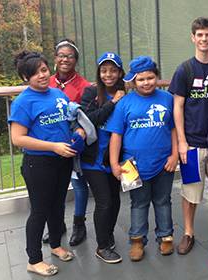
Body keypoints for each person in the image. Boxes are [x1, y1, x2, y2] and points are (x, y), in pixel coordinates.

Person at [9, 51, 82, 276]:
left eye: (43, 69)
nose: (42, 75)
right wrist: (53, 146)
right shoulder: (23, 102)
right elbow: (18, 138)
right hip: (38, 164)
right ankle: (34, 259)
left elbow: (69, 119)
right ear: (25, 77)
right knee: (40, 211)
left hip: (62, 160)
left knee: (57, 206)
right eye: (34, 73)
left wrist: (78, 130)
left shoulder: (57, 94)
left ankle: (56, 246)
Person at [169, 16, 208, 256]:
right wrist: (181, 142)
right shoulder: (184, 69)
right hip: (192, 145)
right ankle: (188, 232)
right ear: (193, 38)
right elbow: (178, 107)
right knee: (190, 192)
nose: (204, 39)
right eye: (200, 35)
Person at [107, 56, 178, 261]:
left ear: (156, 77)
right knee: (138, 203)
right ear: (133, 81)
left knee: (163, 201)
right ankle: (137, 241)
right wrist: (114, 163)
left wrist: (174, 155)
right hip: (131, 165)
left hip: (164, 161)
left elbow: (173, 130)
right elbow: (116, 135)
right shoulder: (124, 104)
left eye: (150, 77)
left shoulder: (167, 99)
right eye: (141, 79)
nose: (146, 82)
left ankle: (165, 237)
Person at [79, 52, 125, 263]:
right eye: (104, 70)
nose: (109, 74)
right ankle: (102, 246)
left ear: (120, 72)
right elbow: (89, 120)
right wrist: (112, 103)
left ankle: (107, 234)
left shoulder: (125, 93)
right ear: (99, 72)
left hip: (114, 158)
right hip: (93, 159)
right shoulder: (90, 93)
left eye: (113, 70)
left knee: (115, 201)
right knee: (104, 202)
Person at [45, 38, 91, 246]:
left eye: (69, 56)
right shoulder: (47, 81)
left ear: (76, 60)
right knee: (54, 187)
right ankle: (57, 225)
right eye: (61, 56)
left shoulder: (83, 85)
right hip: (50, 143)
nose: (65, 59)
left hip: (73, 144)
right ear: (55, 58)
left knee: (78, 186)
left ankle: (79, 225)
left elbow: (86, 116)